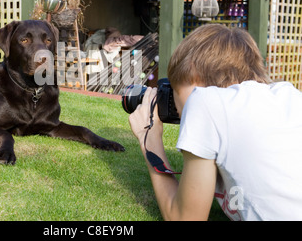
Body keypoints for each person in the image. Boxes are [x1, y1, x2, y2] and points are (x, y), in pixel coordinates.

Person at [129, 24, 302, 221]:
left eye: (175, 92)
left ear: (194, 76)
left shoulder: (204, 100)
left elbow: (185, 219)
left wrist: (148, 138)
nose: (175, 109)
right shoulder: (288, 94)